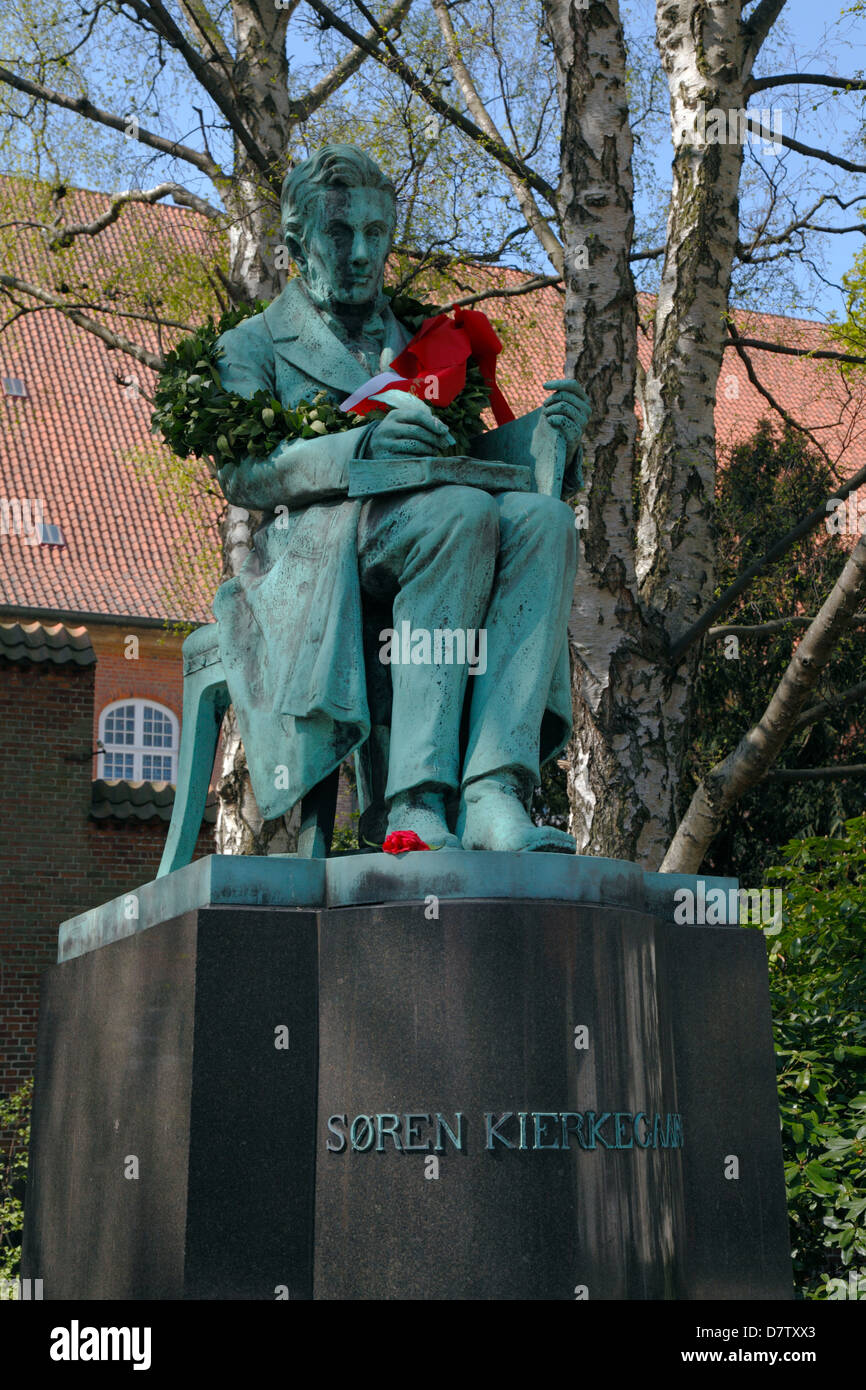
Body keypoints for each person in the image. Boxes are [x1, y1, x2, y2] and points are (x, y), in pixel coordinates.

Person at [212, 145, 590, 852]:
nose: (361, 253)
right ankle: (415, 801)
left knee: (542, 521)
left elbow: (461, 458)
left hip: (433, 523)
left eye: (376, 234)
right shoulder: (253, 344)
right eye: (338, 233)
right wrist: (359, 449)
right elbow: (244, 471)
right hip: (314, 549)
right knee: (460, 514)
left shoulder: (425, 342)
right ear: (296, 244)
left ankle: (493, 790)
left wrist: (545, 443)